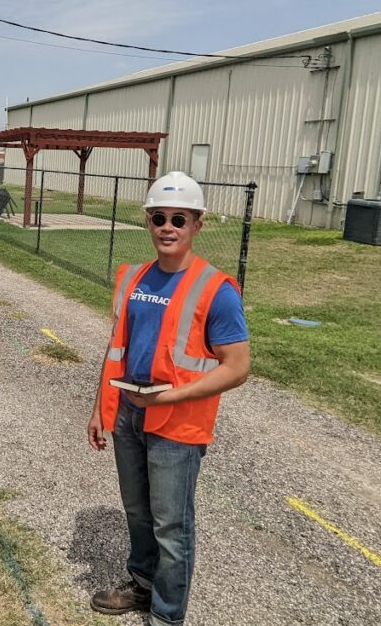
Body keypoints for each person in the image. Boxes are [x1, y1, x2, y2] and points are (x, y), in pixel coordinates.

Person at [86, 171, 250, 626]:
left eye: (179, 218)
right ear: (149, 221)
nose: (168, 226)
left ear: (197, 225)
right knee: (138, 511)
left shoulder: (215, 290)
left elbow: (237, 367)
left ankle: (167, 614)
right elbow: (115, 344)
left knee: (172, 528)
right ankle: (141, 584)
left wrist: (174, 395)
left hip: (178, 426)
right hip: (127, 415)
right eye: (159, 217)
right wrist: (99, 408)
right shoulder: (134, 277)